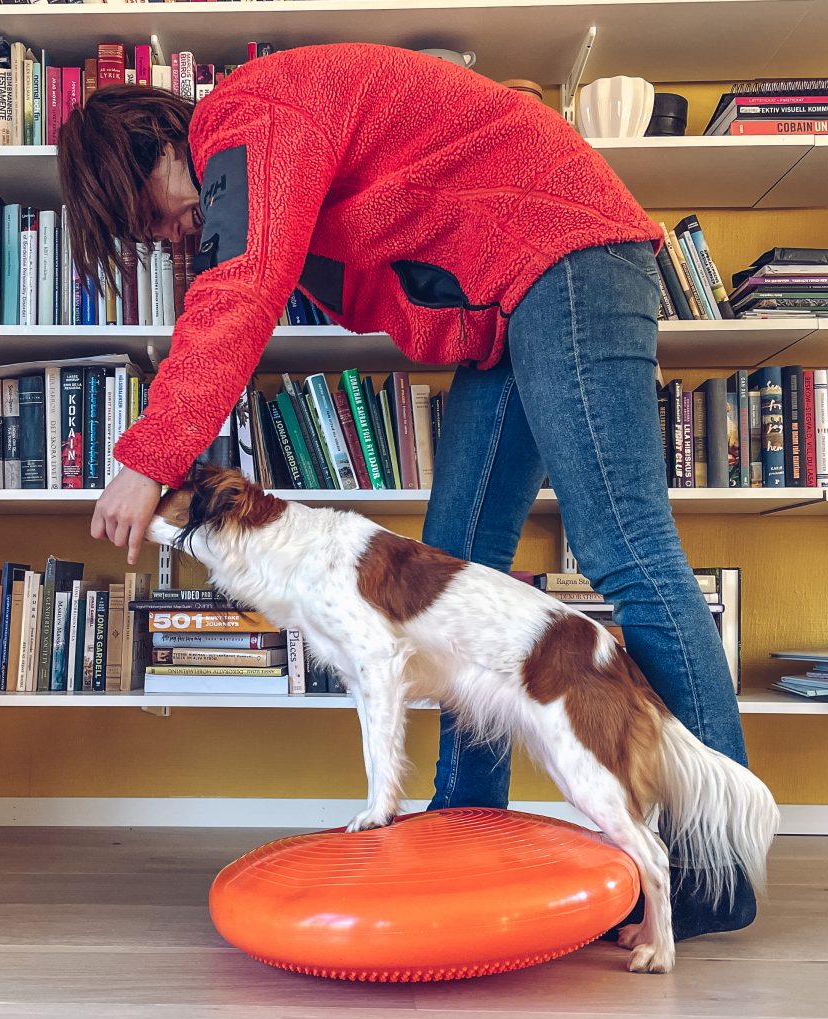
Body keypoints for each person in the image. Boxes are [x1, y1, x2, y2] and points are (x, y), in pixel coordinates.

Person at [57, 42, 756, 939]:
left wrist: (147, 458)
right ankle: (470, 819)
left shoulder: (251, 115)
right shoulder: (262, 171)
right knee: (447, 564)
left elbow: (237, 295)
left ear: (155, 148)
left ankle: (713, 875)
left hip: (568, 256)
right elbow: (385, 284)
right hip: (508, 311)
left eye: (143, 216)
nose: (159, 237)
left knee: (625, 547)